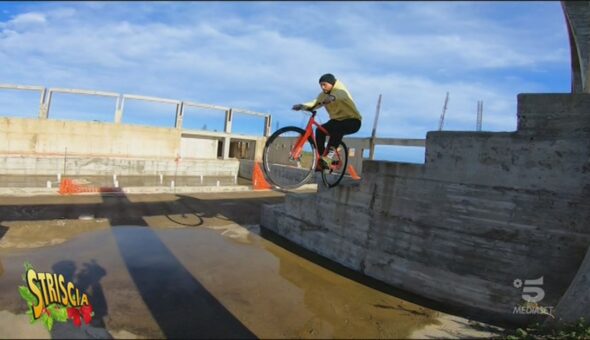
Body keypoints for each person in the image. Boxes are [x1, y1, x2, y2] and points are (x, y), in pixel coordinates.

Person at [292, 73, 362, 168]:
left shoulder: (340, 89)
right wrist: (302, 106)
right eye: (321, 85)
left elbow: (341, 95)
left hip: (353, 121)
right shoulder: (323, 95)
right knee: (319, 130)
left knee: (338, 128)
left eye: (324, 84)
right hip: (336, 120)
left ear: (332, 83)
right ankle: (322, 158)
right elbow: (315, 103)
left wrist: (332, 98)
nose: (322, 87)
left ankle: (329, 156)